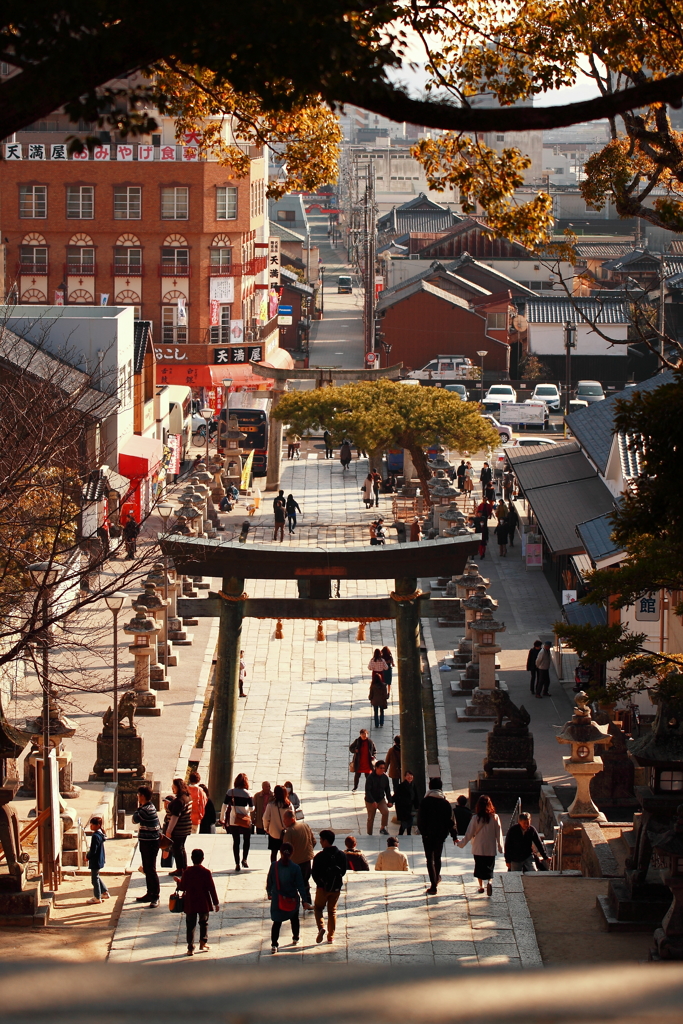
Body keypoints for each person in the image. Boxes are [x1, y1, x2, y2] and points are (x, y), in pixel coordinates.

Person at [266, 842, 312, 953]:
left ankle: (274, 945)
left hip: (277, 899)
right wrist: (305, 900)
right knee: (294, 919)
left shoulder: (274, 866)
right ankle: (295, 938)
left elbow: (269, 881)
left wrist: (269, 893)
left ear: (280, 852)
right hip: (292, 898)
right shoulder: (295, 868)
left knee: (277, 922)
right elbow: (301, 885)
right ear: (292, 853)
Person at [174, 848, 220, 956]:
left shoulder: (187, 872)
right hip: (203, 902)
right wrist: (216, 903)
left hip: (190, 903)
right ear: (203, 859)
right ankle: (203, 942)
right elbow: (211, 888)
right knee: (203, 923)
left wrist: (178, 882)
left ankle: (190, 948)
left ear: (191, 858)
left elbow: (183, 887)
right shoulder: (206, 872)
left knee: (190, 925)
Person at [417, 777, 457, 895]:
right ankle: (437, 878)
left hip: (427, 836)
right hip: (440, 835)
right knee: (437, 857)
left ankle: (433, 884)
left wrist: (424, 832)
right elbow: (450, 821)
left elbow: (420, 820)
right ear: (440, 788)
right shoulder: (445, 803)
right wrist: (454, 835)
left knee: (429, 859)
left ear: (430, 787)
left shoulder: (424, 802)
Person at [457, 795, 503, 895]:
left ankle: (481, 886)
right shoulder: (495, 817)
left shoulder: (475, 818)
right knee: (489, 867)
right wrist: (500, 847)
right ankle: (490, 882)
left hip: (478, 848)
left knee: (479, 867)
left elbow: (469, 833)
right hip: (490, 848)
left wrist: (461, 843)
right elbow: (499, 833)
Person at [312, 829, 347, 945]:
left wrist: (320, 884)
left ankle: (321, 927)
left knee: (318, 908)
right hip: (336, 888)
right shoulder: (341, 855)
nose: (320, 842)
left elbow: (314, 874)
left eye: (321, 840)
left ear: (326, 841)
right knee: (332, 911)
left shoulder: (319, 857)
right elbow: (343, 871)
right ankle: (331, 936)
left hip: (323, 888)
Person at [132, 784, 161, 907]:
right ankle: (150, 892)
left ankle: (155, 895)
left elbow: (134, 819)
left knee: (151, 869)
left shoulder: (145, 810)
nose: (138, 797)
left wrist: (138, 809)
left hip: (150, 843)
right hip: (147, 842)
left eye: (139, 795)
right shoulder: (150, 807)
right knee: (147, 869)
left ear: (142, 796)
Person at [221, 773, 254, 871]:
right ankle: (244, 859)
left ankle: (236, 863)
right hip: (244, 819)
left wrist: (222, 818)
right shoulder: (248, 794)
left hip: (233, 820)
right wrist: (245, 810)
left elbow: (224, 805)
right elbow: (252, 808)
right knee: (246, 840)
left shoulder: (230, 792)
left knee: (236, 842)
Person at [165, 778, 193, 876]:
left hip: (179, 829)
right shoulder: (187, 797)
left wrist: (169, 831)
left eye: (174, 786)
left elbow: (174, 817)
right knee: (181, 848)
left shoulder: (179, 801)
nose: (172, 788)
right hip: (186, 827)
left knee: (177, 848)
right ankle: (183, 867)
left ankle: (180, 868)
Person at [282, 808, 316, 883]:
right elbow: (314, 841)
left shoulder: (289, 832)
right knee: (305, 885)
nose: (284, 821)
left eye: (285, 819)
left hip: (295, 863)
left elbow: (286, 850)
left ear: (292, 819)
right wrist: (307, 851)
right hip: (307, 861)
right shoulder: (305, 826)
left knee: (293, 886)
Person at [263, 784, 291, 862]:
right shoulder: (289, 805)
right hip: (286, 833)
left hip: (273, 832)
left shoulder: (271, 805)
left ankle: (274, 868)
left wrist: (266, 828)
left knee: (274, 852)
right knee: (285, 852)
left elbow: (265, 818)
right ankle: (284, 866)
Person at [364, 761, 393, 835]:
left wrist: (390, 800)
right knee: (371, 818)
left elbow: (387, 790)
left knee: (385, 812)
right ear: (376, 768)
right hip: (370, 800)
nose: (382, 770)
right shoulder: (370, 778)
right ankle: (369, 833)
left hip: (380, 799)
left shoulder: (385, 777)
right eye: (381, 768)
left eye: (384, 768)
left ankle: (383, 828)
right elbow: (368, 791)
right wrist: (373, 801)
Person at [86, 816, 110, 904]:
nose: (91, 826)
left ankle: (97, 897)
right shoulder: (100, 835)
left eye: (92, 825)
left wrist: (88, 856)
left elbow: (93, 850)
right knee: (96, 876)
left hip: (95, 860)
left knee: (94, 879)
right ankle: (104, 892)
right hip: (99, 859)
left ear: (98, 825)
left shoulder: (96, 836)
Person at [394, 769, 419, 835]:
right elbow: (396, 796)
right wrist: (391, 801)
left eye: (411, 775)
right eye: (408, 775)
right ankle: (401, 834)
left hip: (409, 807)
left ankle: (408, 834)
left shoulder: (413, 785)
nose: (409, 777)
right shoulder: (401, 786)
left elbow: (415, 796)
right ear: (405, 777)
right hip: (403, 808)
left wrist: (417, 806)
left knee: (409, 822)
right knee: (405, 822)